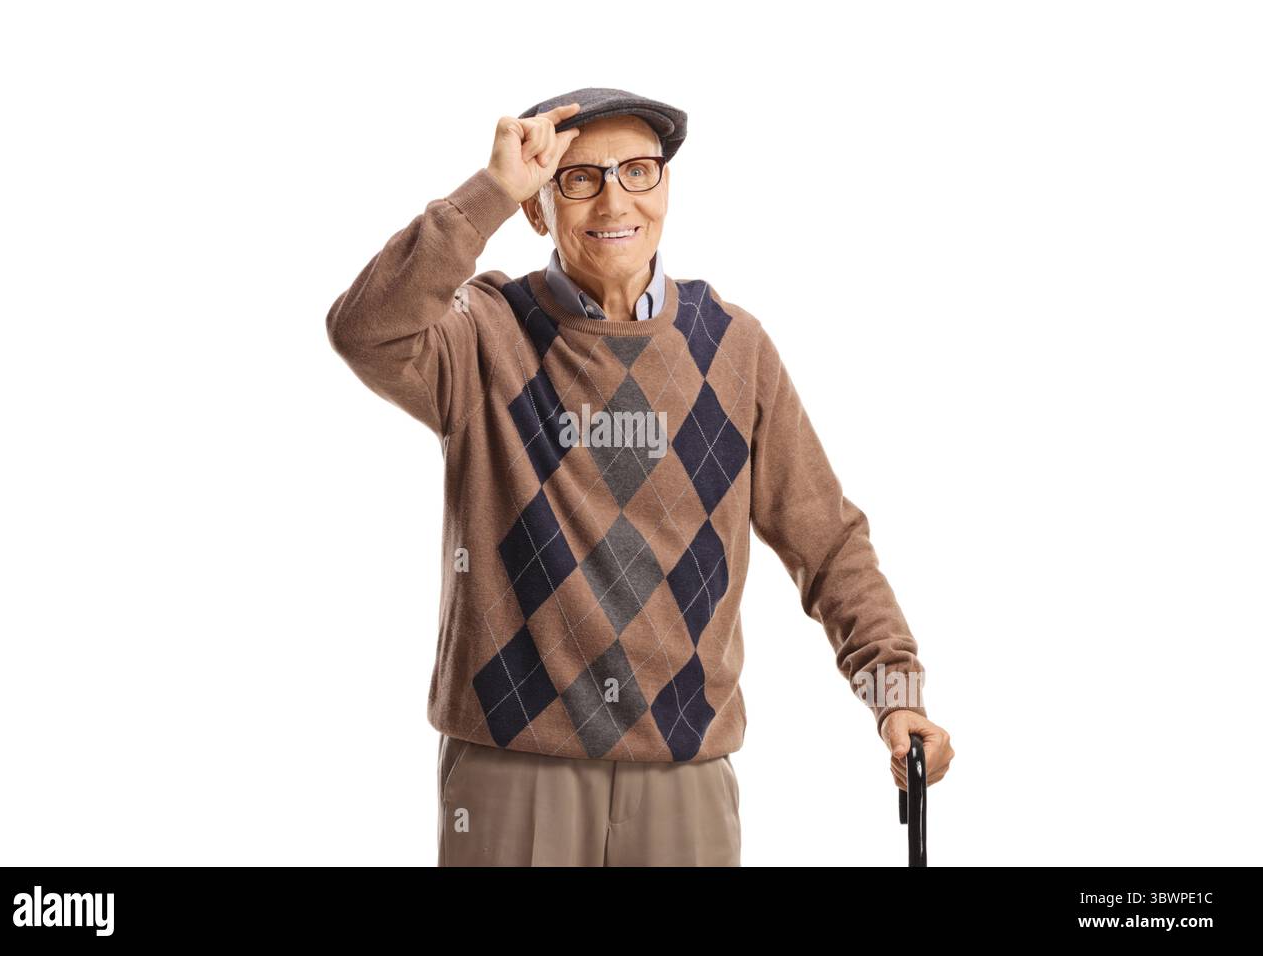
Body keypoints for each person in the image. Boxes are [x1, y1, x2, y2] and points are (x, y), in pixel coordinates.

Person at [326, 87, 955, 866]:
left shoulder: (733, 348)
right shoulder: (480, 335)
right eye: (579, 178)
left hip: (682, 777)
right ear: (537, 207)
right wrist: (486, 193)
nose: (614, 198)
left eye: (638, 171)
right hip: (511, 770)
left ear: (665, 187)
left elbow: (827, 541)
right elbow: (363, 329)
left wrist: (897, 697)